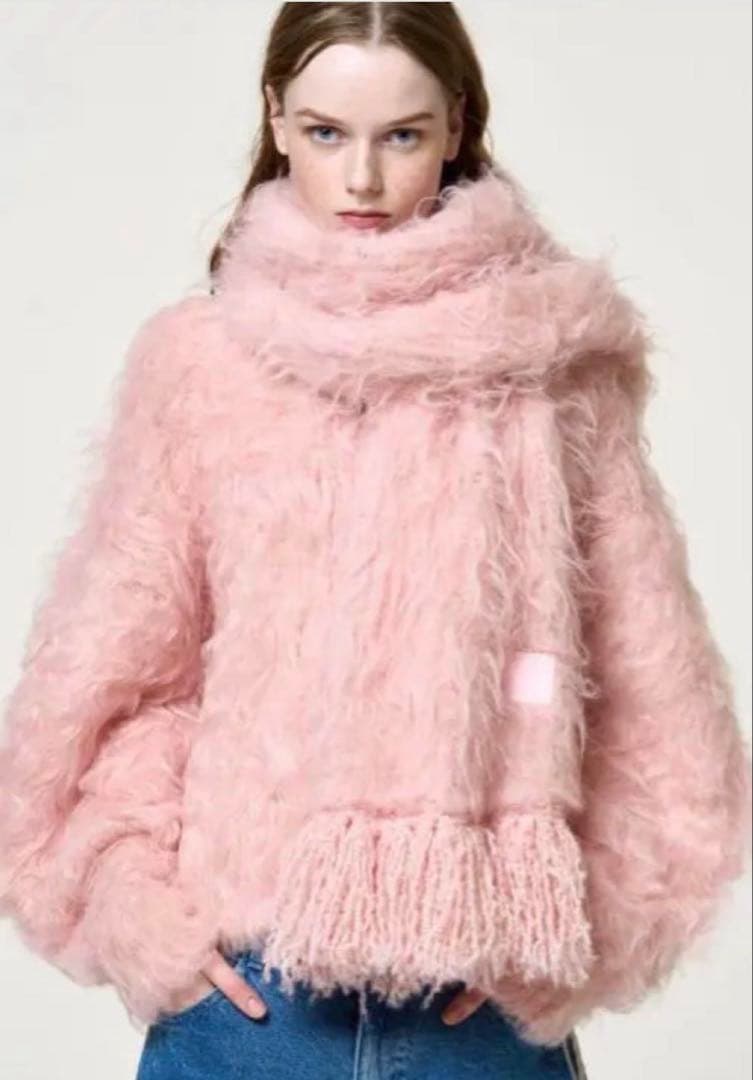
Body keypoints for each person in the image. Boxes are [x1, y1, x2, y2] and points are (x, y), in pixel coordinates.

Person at [0, 4, 750, 1079]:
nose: (360, 178)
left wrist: (570, 930)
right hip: (247, 1014)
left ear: (456, 127)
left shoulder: (554, 367)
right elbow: (119, 677)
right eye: (324, 133)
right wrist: (139, 901)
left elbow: (646, 692)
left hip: (475, 1022)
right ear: (275, 119)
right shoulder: (202, 361)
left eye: (401, 134)